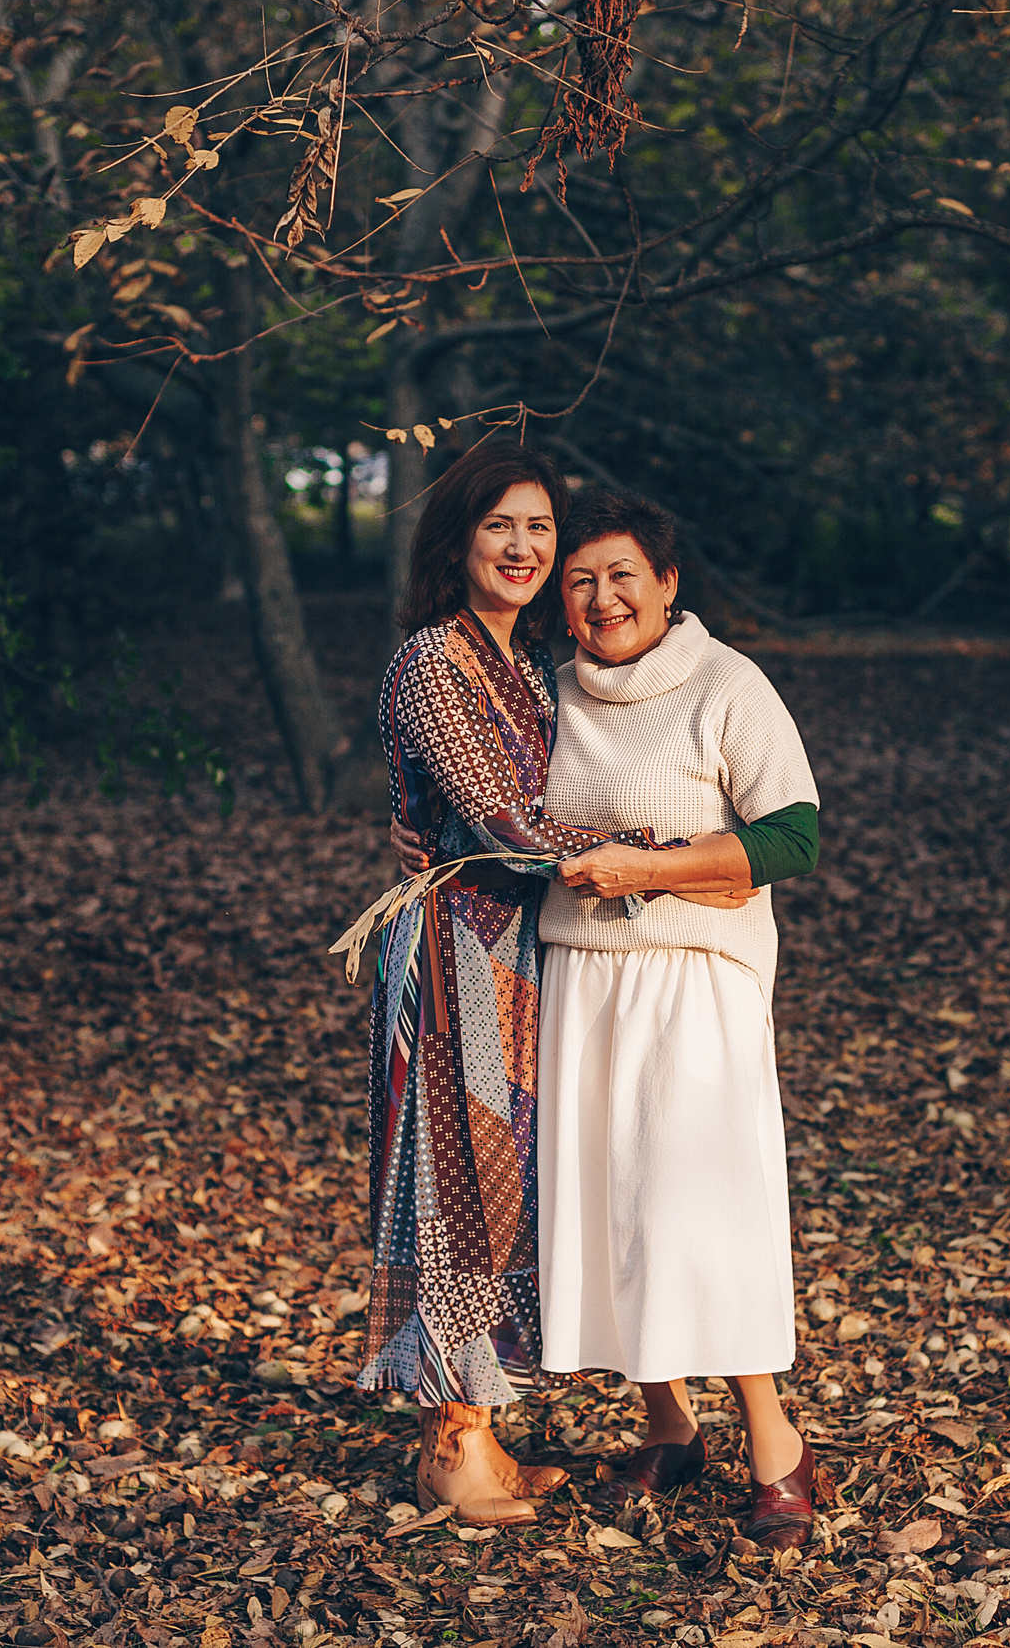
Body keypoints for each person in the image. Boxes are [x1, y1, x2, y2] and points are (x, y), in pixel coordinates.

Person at [362, 446, 714, 1527]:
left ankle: (482, 1428)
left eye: (538, 530)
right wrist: (650, 854)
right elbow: (496, 816)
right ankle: (449, 1447)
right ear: (458, 542)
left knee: (508, 1187)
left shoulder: (522, 666)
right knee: (456, 1186)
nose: (523, 548)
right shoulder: (435, 661)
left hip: (521, 946)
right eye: (498, 528)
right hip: (457, 941)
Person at [537, 487, 832, 1550]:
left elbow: (793, 839)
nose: (601, 597)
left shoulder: (725, 684)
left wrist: (651, 867)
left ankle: (776, 1442)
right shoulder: (545, 695)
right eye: (579, 580)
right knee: (608, 1214)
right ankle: (667, 1425)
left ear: (667, 583)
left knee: (696, 1214)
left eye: (621, 576)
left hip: (692, 985)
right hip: (578, 981)